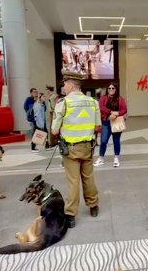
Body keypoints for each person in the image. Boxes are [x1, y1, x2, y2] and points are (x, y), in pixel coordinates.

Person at [51, 70, 101, 228]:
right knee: (88, 177)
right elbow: (98, 126)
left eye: (64, 84)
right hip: (87, 147)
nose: (63, 87)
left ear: (71, 85)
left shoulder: (63, 103)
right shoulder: (93, 102)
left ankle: (71, 215)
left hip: (70, 150)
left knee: (73, 181)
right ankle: (93, 206)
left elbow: (54, 131)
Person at [93, 83, 127, 167]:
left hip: (116, 122)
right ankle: (101, 158)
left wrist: (117, 114)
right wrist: (111, 113)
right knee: (103, 141)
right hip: (106, 122)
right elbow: (101, 107)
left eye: (113, 88)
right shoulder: (103, 98)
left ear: (116, 89)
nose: (111, 90)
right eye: (109, 88)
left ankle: (116, 158)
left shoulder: (120, 99)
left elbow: (124, 109)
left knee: (116, 141)